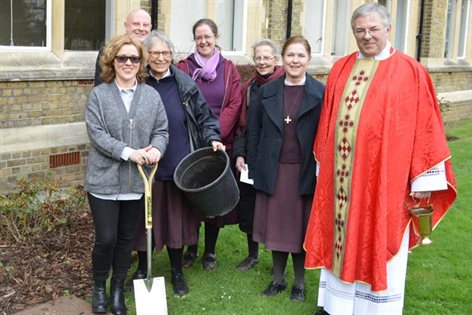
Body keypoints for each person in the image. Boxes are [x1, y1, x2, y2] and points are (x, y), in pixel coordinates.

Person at [303, 3, 457, 315]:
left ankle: (376, 309)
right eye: (360, 30)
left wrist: (424, 178)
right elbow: (327, 123)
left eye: (373, 29)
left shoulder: (410, 71)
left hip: (386, 179)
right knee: (339, 239)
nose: (367, 36)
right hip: (342, 182)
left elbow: (426, 127)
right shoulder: (341, 69)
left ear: (387, 28)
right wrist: (325, 168)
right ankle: (337, 306)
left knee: (380, 235)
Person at [128, 31, 224, 296]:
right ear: (146, 56)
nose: (161, 58)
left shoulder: (184, 84)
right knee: (143, 220)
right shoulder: (138, 82)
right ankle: (141, 268)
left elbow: (205, 117)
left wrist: (213, 137)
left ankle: (177, 271)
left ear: (172, 56)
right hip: (145, 164)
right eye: (155, 53)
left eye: (166, 53)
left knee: (174, 222)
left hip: (177, 163)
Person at [85, 34, 168, 315]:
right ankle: (99, 287)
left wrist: (157, 148)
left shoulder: (151, 96)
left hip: (136, 182)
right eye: (122, 58)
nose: (128, 63)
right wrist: (128, 152)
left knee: (125, 240)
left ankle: (117, 289)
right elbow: (96, 134)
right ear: (112, 61)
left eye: (134, 58)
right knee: (106, 238)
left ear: (141, 62)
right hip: (104, 181)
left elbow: (161, 131)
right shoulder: (99, 95)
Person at [246, 36, 324, 302]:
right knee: (276, 228)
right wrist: (254, 167)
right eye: (290, 55)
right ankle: (278, 279)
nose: (295, 60)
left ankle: (299, 284)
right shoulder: (266, 91)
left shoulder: (321, 93)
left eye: (300, 56)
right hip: (273, 169)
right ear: (282, 59)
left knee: (300, 229)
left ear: (308, 60)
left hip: (304, 171)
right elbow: (253, 130)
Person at [177, 18, 242, 271]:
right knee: (193, 195)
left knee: (215, 196)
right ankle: (191, 247)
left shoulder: (229, 69)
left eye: (208, 36)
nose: (203, 41)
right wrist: (200, 133)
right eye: (199, 37)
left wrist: (215, 133)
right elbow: (179, 101)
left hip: (218, 142)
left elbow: (234, 103)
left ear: (216, 36)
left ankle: (210, 251)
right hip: (191, 139)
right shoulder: (183, 67)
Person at [233, 39, 284, 271]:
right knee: (250, 206)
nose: (262, 62)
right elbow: (241, 126)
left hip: (277, 156)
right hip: (252, 154)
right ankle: (252, 255)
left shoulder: (285, 84)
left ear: (276, 60)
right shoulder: (249, 88)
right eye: (258, 57)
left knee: (275, 208)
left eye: (267, 57)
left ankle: (278, 258)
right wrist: (240, 154)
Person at [94, 9, 152, 86]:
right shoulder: (108, 51)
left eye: (145, 25)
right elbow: (101, 86)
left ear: (150, 28)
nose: (141, 29)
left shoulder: (156, 52)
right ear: (126, 26)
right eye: (136, 24)